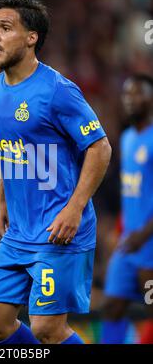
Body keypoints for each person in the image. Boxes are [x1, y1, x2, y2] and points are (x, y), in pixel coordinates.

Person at [0, 0, 112, 344]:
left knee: (47, 328)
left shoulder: (57, 91)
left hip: (58, 229)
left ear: (31, 37)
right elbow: (8, 147)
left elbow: (100, 147)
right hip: (19, 231)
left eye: (5, 28)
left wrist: (75, 207)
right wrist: (1, 198)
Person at [101, 74, 153, 344]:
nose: (130, 99)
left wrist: (143, 235)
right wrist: (121, 231)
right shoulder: (128, 138)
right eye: (126, 94)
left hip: (148, 243)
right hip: (128, 241)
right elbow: (132, 194)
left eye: (137, 93)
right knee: (112, 307)